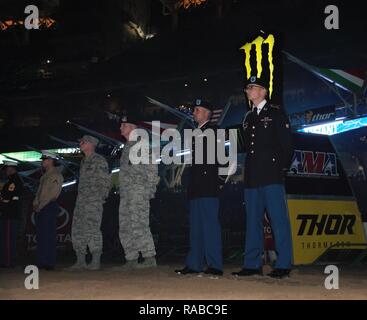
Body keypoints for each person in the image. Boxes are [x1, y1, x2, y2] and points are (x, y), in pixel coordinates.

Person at [232, 75, 294, 279]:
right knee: (252, 222)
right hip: (252, 178)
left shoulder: (275, 113)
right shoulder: (248, 117)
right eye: (248, 88)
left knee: (278, 221)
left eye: (253, 87)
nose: (249, 91)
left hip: (272, 176)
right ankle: (252, 264)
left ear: (263, 92)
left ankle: (284, 264)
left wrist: (281, 170)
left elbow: (286, 145)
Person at [175, 99, 223, 276]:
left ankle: (215, 265)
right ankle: (194, 263)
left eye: (197, 110)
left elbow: (220, 159)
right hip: (196, 186)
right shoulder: (195, 133)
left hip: (208, 185)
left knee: (210, 226)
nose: (194, 113)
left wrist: (218, 182)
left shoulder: (214, 131)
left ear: (206, 113)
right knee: (195, 228)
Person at [118, 113, 160, 269]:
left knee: (139, 224)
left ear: (131, 127)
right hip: (126, 193)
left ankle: (149, 257)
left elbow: (152, 169)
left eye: (123, 125)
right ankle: (131, 259)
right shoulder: (126, 148)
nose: (120, 127)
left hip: (138, 193)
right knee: (125, 225)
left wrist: (149, 191)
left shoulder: (142, 145)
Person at [67, 135, 111, 271]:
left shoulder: (99, 160)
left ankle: (95, 261)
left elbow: (105, 181)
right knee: (78, 229)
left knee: (92, 229)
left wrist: (99, 198)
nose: (80, 143)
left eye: (83, 142)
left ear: (91, 144)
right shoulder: (84, 161)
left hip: (93, 201)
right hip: (81, 201)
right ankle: (80, 261)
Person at [33, 151, 64, 270]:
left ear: (51, 160)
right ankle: (41, 261)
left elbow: (53, 194)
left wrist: (40, 205)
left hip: (49, 206)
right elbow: (39, 192)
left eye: (44, 159)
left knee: (49, 235)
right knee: (41, 236)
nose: (42, 161)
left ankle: (49, 262)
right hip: (42, 207)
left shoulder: (56, 175)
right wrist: (35, 203)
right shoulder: (45, 175)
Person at [0, 161, 24, 268]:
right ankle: (7, 260)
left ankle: (9, 261)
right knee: (7, 238)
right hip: (8, 213)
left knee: (9, 239)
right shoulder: (11, 180)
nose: (6, 171)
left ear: (12, 168)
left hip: (10, 213)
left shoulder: (14, 181)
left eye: (7, 169)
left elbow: (8, 197)